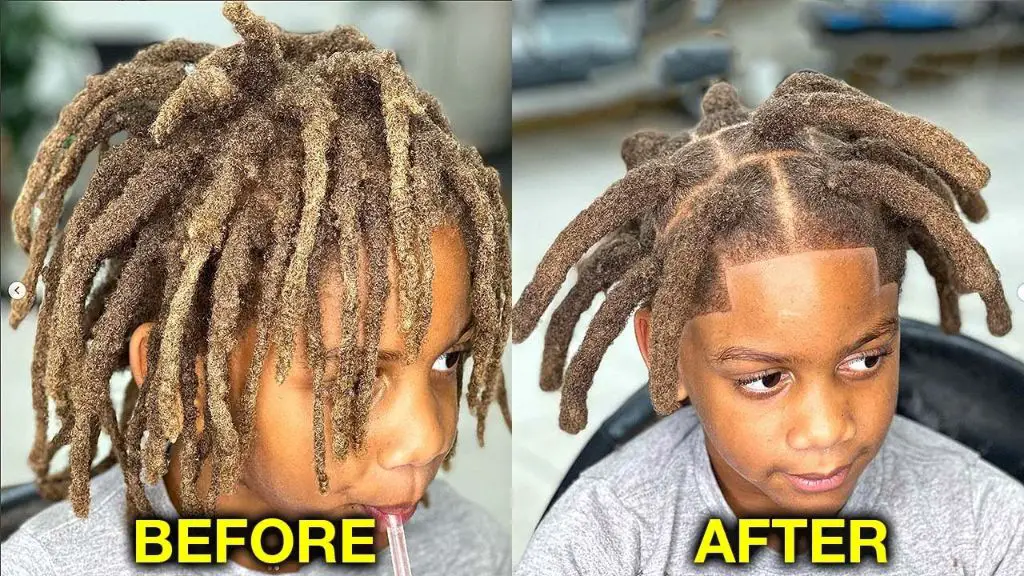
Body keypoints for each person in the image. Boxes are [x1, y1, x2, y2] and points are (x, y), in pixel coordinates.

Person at [1, 2, 511, 574]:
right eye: (356, 376)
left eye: (447, 358)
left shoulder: (465, 551)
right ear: (189, 382)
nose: (425, 439)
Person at [512, 70, 1023, 575]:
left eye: (865, 360)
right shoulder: (597, 547)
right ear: (663, 353)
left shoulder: (988, 530)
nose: (826, 431)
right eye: (764, 379)